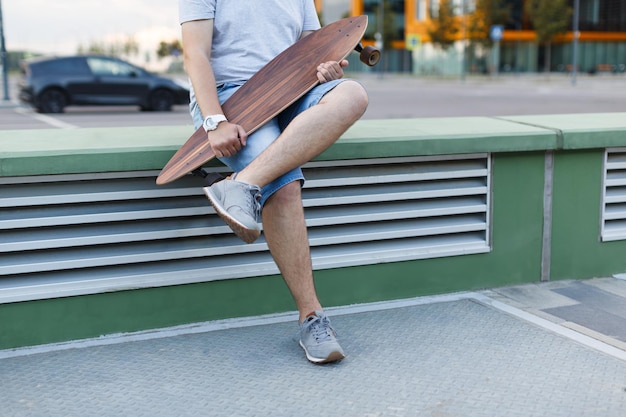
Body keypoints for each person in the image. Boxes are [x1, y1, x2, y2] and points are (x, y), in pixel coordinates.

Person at [178, 0, 369, 364]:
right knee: (282, 186)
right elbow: (195, 54)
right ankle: (312, 317)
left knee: (352, 94)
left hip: (294, 88)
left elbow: (315, 47)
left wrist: (329, 68)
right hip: (231, 96)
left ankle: (243, 183)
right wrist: (214, 121)